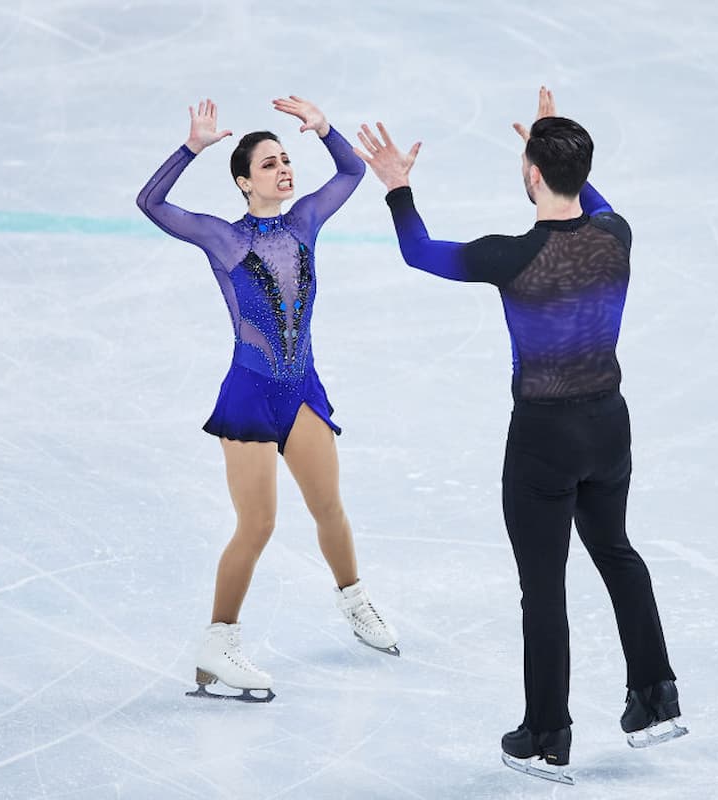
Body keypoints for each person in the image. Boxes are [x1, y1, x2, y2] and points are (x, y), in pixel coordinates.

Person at [354, 87, 685, 779]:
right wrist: (554, 145)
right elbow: (593, 201)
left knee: (545, 585)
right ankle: (656, 698)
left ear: (532, 173)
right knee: (617, 550)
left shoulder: (509, 255)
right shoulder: (615, 233)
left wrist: (398, 187)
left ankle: (546, 735)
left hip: (543, 438)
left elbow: (419, 252)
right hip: (609, 427)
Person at [136, 97, 399, 702]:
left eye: (286, 160)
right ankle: (218, 640)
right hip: (251, 394)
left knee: (329, 508)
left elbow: (353, 172)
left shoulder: (305, 221)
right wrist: (191, 147)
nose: (284, 169)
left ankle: (354, 600)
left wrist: (327, 130)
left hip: (302, 390)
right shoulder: (222, 239)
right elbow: (151, 204)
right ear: (243, 181)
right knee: (257, 524)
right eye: (269, 164)